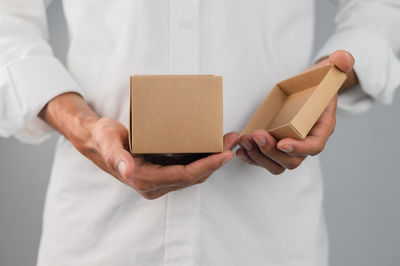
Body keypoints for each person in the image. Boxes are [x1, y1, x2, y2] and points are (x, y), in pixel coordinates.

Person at [0, 1, 399, 265]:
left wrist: (326, 84)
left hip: (268, 233)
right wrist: (82, 127)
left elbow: (381, 9)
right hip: (101, 231)